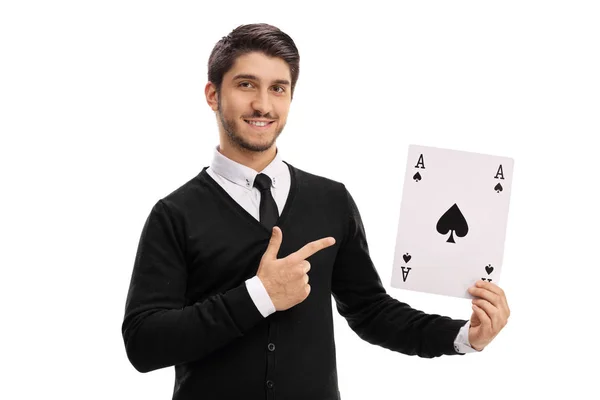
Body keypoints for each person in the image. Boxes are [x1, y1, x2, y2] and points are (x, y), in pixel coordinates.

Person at [121, 23, 511, 400]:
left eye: (278, 88)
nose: (263, 104)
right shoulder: (173, 214)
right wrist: (259, 295)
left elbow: (371, 311)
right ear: (212, 95)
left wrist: (463, 336)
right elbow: (143, 342)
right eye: (246, 85)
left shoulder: (331, 200)